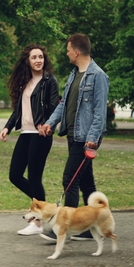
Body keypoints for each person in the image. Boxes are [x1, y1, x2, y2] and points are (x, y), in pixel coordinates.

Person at [38, 33, 109, 241]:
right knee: (86, 181)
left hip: (86, 138)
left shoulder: (98, 76)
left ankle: (65, 227)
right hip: (73, 135)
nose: (67, 54)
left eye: (68, 50)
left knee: (70, 179)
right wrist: (50, 123)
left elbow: (99, 112)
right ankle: (89, 228)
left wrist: (93, 138)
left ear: (76, 52)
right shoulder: (74, 74)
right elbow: (63, 104)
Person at [0, 44, 59, 236]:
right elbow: (19, 110)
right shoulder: (24, 82)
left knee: (34, 178)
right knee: (14, 175)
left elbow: (54, 107)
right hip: (26, 133)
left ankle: (38, 222)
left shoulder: (50, 81)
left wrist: (47, 125)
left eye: (40, 57)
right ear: (27, 60)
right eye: (34, 57)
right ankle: (46, 208)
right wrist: (7, 127)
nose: (38, 60)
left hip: (41, 135)